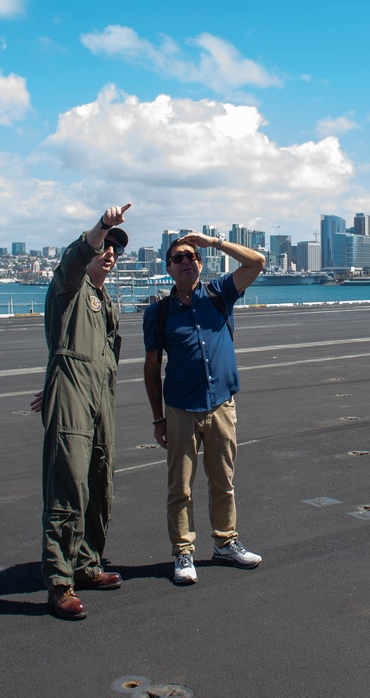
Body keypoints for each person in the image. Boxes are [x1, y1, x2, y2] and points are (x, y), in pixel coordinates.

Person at [142, 232, 265, 585]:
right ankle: (183, 552)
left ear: (200, 263)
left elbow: (256, 262)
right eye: (178, 258)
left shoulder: (220, 293)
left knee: (222, 481)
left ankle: (226, 542)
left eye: (191, 257)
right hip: (180, 408)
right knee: (180, 486)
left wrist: (212, 242)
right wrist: (158, 418)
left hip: (222, 405)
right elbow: (151, 369)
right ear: (167, 268)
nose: (185, 262)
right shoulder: (159, 313)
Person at [35, 203, 131, 620]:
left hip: (101, 396)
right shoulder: (69, 287)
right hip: (74, 395)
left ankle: (88, 563)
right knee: (68, 485)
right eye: (105, 246)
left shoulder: (105, 299)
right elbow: (73, 261)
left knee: (100, 480)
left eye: (116, 249)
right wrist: (102, 225)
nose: (110, 252)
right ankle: (59, 583)